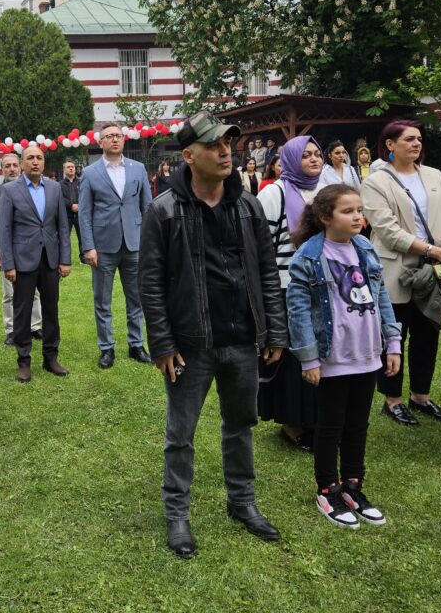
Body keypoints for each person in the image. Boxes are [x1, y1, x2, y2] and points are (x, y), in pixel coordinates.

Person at [140, 111, 287, 558]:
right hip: (191, 344)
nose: (226, 152)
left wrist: (273, 330)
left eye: (228, 144)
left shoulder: (248, 205)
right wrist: (162, 343)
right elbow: (151, 282)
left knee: (241, 425)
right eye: (214, 146)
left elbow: (266, 271)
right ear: (189, 155)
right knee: (180, 433)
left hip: (242, 338)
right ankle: (177, 514)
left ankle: (242, 502)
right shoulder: (163, 209)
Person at [287, 185, 402, 528]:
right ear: (325, 217)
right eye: (347, 211)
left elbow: (381, 297)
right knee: (330, 426)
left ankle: (353, 486)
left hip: (367, 354)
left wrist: (392, 342)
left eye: (359, 210)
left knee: (357, 424)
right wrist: (309, 359)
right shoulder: (308, 256)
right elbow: (298, 311)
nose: (357, 217)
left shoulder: (365, 248)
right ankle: (328, 489)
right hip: (333, 357)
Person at [360, 120, 441, 426]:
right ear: (390, 145)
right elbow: (387, 231)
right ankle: (393, 400)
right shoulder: (375, 182)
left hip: (435, 268)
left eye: (419, 139)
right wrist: (436, 252)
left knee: (428, 332)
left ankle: (420, 396)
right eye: (409, 139)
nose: (416, 144)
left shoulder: (434, 175)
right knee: (394, 335)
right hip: (396, 267)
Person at [256, 136, 326, 449]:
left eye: (317, 154)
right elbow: (261, 248)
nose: (313, 159)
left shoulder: (327, 191)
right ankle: (293, 424)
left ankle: (317, 419)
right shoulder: (275, 193)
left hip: (325, 288)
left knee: (320, 354)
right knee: (293, 361)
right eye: (305, 155)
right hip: (286, 287)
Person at [79, 123, 153, 368]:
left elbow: (147, 207)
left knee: (137, 298)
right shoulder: (90, 173)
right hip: (103, 248)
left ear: (124, 139)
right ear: (100, 142)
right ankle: (107, 348)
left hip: (135, 244)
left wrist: (149, 242)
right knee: (102, 300)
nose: (114, 139)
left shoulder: (138, 169)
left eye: (118, 136)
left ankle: (136, 344)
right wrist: (88, 247)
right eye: (109, 136)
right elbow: (85, 213)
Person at [0, 146, 72, 382]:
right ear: (22, 164)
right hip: (22, 261)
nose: (35, 162)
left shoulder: (55, 188)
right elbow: (4, 230)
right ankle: (24, 361)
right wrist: (8, 264)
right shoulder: (10, 190)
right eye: (30, 158)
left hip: (50, 259)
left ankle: (51, 358)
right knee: (22, 312)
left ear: (44, 162)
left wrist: (65, 259)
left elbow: (62, 226)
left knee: (51, 310)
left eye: (39, 158)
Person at [0, 152, 42, 344]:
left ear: (21, 166)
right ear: (1, 169)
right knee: (9, 293)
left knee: (34, 291)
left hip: (30, 250)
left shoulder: (33, 190)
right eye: (7, 166)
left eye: (14, 165)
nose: (11, 169)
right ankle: (11, 329)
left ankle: (35, 326)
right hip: (6, 252)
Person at [59, 160, 83, 261]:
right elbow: (59, 198)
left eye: (72, 167)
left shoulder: (81, 182)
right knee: (64, 239)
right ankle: (64, 259)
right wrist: (70, 205)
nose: (71, 168)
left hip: (80, 215)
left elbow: (85, 195)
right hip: (66, 215)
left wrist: (79, 205)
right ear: (64, 170)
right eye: (68, 167)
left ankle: (84, 258)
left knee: (82, 237)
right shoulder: (59, 185)